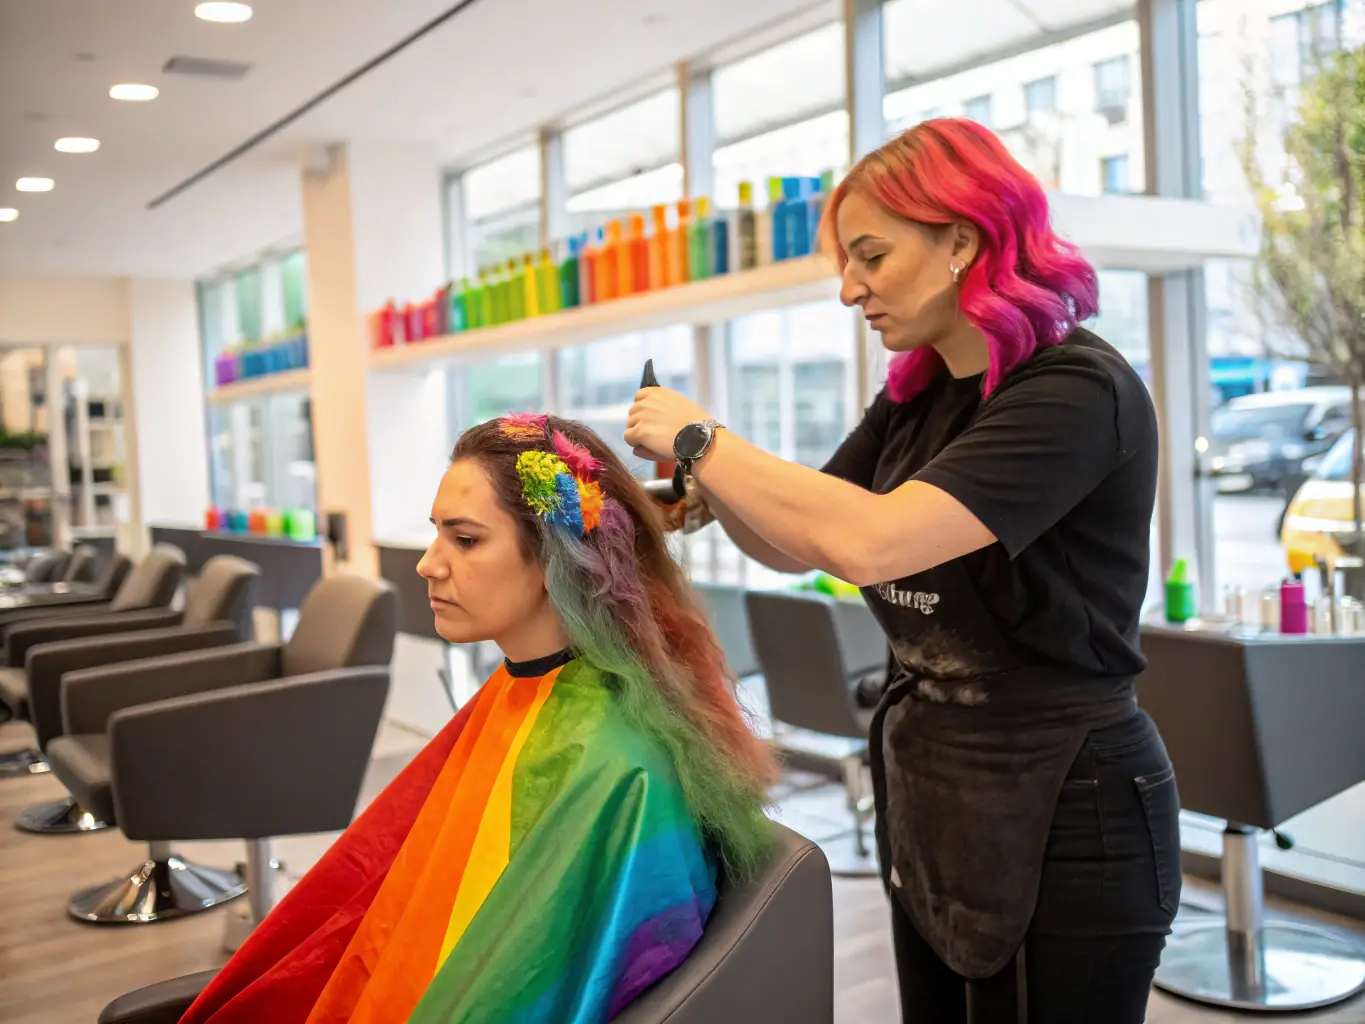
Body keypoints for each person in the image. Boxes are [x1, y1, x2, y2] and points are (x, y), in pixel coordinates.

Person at [625, 117, 1181, 1023]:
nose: (850, 289)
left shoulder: (1073, 390)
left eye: (871, 257)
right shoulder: (913, 395)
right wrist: (708, 493)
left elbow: (873, 544)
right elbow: (798, 544)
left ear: (961, 239)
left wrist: (701, 440)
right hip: (930, 787)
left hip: (1065, 797)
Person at [178, 414, 777, 1024]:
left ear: (555, 557)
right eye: (437, 534)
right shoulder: (523, 690)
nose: (428, 564)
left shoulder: (615, 763)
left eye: (465, 540)